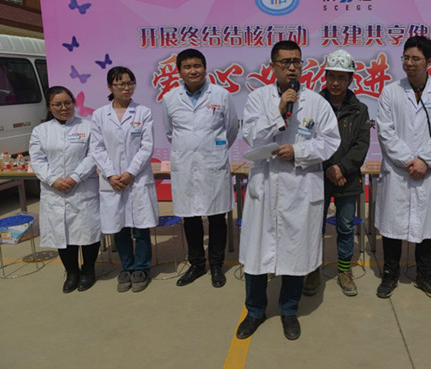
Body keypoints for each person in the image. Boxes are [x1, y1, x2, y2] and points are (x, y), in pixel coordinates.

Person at [236, 40, 340, 341]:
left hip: (300, 187)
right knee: (257, 254)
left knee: (296, 253)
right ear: (273, 66)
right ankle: (254, 311)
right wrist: (278, 110)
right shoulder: (258, 99)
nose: (292, 67)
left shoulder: (317, 103)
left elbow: (329, 141)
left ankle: (289, 310)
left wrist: (298, 151)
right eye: (285, 62)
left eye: (297, 61)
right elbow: (251, 137)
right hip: (266, 186)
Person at [375, 36, 431, 300]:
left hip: (428, 171)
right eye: (406, 58)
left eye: (415, 59)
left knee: (428, 225)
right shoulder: (390, 92)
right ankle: (390, 274)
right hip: (399, 170)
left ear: (429, 61)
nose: (409, 63)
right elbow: (385, 131)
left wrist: (424, 160)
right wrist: (408, 160)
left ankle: (425, 275)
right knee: (392, 225)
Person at [162, 49, 238, 288]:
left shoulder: (221, 95)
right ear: (179, 71)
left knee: (217, 218)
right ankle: (196, 264)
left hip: (213, 165)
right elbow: (170, 132)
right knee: (191, 218)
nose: (193, 70)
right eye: (187, 67)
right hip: (185, 166)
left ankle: (216, 265)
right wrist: (191, 149)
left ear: (205, 68)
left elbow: (231, 129)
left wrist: (212, 149)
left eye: (197, 65)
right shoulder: (170, 98)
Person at [303, 49, 370, 297]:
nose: (336, 83)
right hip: (317, 176)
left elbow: (361, 145)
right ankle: (312, 270)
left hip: (347, 179)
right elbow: (308, 139)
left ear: (350, 79)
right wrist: (329, 166)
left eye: (342, 77)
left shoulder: (360, 110)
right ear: (325, 76)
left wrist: (341, 168)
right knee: (314, 226)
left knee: (345, 226)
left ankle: (344, 270)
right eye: (332, 76)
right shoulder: (313, 105)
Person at [91, 66, 158, 293]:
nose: (126, 88)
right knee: (119, 227)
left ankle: (141, 268)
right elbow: (97, 148)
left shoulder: (143, 112)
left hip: (136, 179)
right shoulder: (100, 115)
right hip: (112, 181)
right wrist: (111, 174)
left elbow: (147, 146)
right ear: (110, 87)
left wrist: (130, 172)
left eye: (130, 83)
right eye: (120, 84)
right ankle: (127, 268)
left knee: (140, 228)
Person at [29, 86, 102, 293]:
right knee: (62, 233)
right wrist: (53, 180)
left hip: (83, 188)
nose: (64, 108)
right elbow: (37, 160)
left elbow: (93, 155)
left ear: (74, 103)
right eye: (58, 104)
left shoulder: (87, 127)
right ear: (49, 107)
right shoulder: (41, 131)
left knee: (88, 231)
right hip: (55, 191)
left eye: (68, 103)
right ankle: (71, 272)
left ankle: (88, 270)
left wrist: (75, 177)